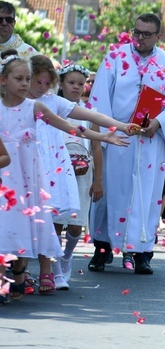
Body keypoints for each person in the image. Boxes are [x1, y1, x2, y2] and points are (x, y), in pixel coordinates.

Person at [0, 54, 127, 299]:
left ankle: (19, 272)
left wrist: (110, 131)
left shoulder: (35, 107)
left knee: (25, 223)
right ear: (3, 80)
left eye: (28, 78)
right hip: (4, 175)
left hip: (28, 178)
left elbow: (70, 126)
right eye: (20, 79)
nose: (26, 84)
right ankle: (7, 281)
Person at [87, 13, 165, 275]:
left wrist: (160, 123)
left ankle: (142, 252)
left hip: (150, 142)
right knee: (111, 192)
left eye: (146, 34)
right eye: (136, 32)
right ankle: (103, 248)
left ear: (158, 37)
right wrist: (110, 131)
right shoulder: (115, 59)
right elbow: (99, 98)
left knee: (147, 194)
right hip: (119, 137)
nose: (139, 38)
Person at [51, 64, 105, 289]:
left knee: (75, 225)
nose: (76, 87)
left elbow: (96, 148)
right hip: (57, 173)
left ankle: (67, 256)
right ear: (61, 84)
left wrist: (98, 179)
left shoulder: (89, 114)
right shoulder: (52, 109)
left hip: (82, 175)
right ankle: (54, 271)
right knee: (56, 224)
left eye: (81, 84)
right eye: (71, 83)